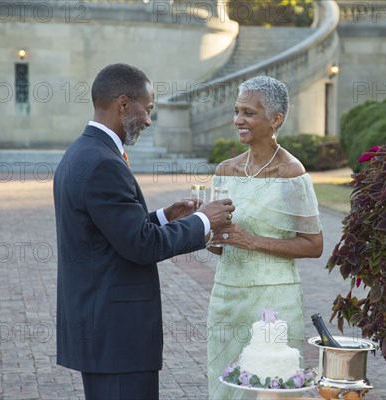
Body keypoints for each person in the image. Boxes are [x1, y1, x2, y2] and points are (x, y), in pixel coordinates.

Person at [53, 63, 235, 400]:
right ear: (123, 103)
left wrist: (164, 217)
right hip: (117, 333)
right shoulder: (103, 162)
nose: (149, 119)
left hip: (100, 328)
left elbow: (109, 232)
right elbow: (141, 246)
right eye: (147, 109)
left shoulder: (82, 152)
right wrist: (205, 221)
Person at [206, 76, 324, 399]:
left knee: (270, 390)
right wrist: (211, 236)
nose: (238, 120)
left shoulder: (292, 174)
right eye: (236, 111)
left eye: (248, 112)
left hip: (273, 302)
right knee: (224, 390)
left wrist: (252, 241)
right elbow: (219, 245)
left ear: (275, 120)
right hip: (226, 299)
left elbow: (314, 245)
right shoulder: (225, 171)